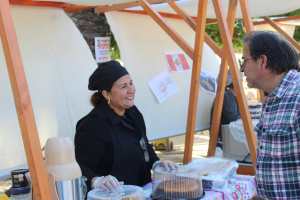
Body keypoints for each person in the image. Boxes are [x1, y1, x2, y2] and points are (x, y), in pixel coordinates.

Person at [74, 60, 178, 193]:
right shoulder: (94, 125)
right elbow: (80, 167)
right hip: (113, 196)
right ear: (107, 94)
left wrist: (156, 163)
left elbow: (143, 144)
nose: (131, 90)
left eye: (131, 83)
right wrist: (97, 181)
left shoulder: (133, 112)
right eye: (123, 87)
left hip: (142, 191)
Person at [240, 31, 300, 199]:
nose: (241, 68)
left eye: (244, 60)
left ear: (262, 61)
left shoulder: (297, 97)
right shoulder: (273, 98)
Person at [210, 69, 241, 149]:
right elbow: (234, 120)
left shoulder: (229, 94)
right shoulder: (228, 95)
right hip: (223, 142)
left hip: (225, 140)